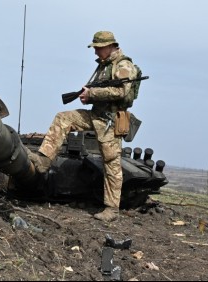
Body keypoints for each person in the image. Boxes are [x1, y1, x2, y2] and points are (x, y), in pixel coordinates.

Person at [28, 31, 139, 222]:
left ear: (110, 46)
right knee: (64, 118)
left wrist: (93, 94)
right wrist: (87, 96)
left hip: (110, 121)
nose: (95, 52)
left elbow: (121, 91)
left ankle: (111, 209)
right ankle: (44, 160)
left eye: (98, 48)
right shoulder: (104, 66)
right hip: (95, 115)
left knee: (111, 163)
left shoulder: (123, 65)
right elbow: (100, 92)